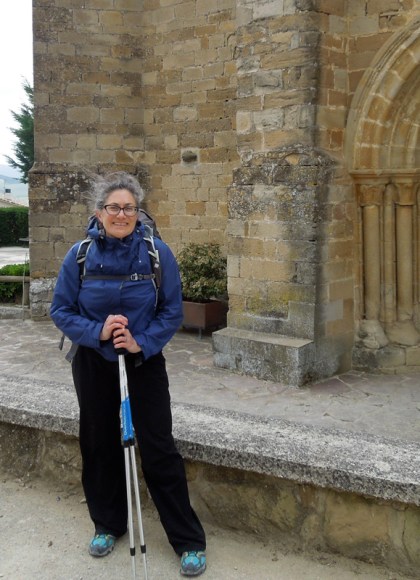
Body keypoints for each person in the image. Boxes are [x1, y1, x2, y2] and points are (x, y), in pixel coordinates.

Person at [50, 171, 206, 577]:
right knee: (99, 442)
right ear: (99, 212)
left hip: (142, 362)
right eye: (114, 207)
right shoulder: (79, 255)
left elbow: (172, 311)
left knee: (157, 445)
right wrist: (98, 331)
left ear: (138, 212)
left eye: (129, 208)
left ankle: (187, 539)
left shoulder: (157, 253)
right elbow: (61, 310)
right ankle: (107, 524)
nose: (122, 214)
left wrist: (141, 342)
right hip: (94, 361)